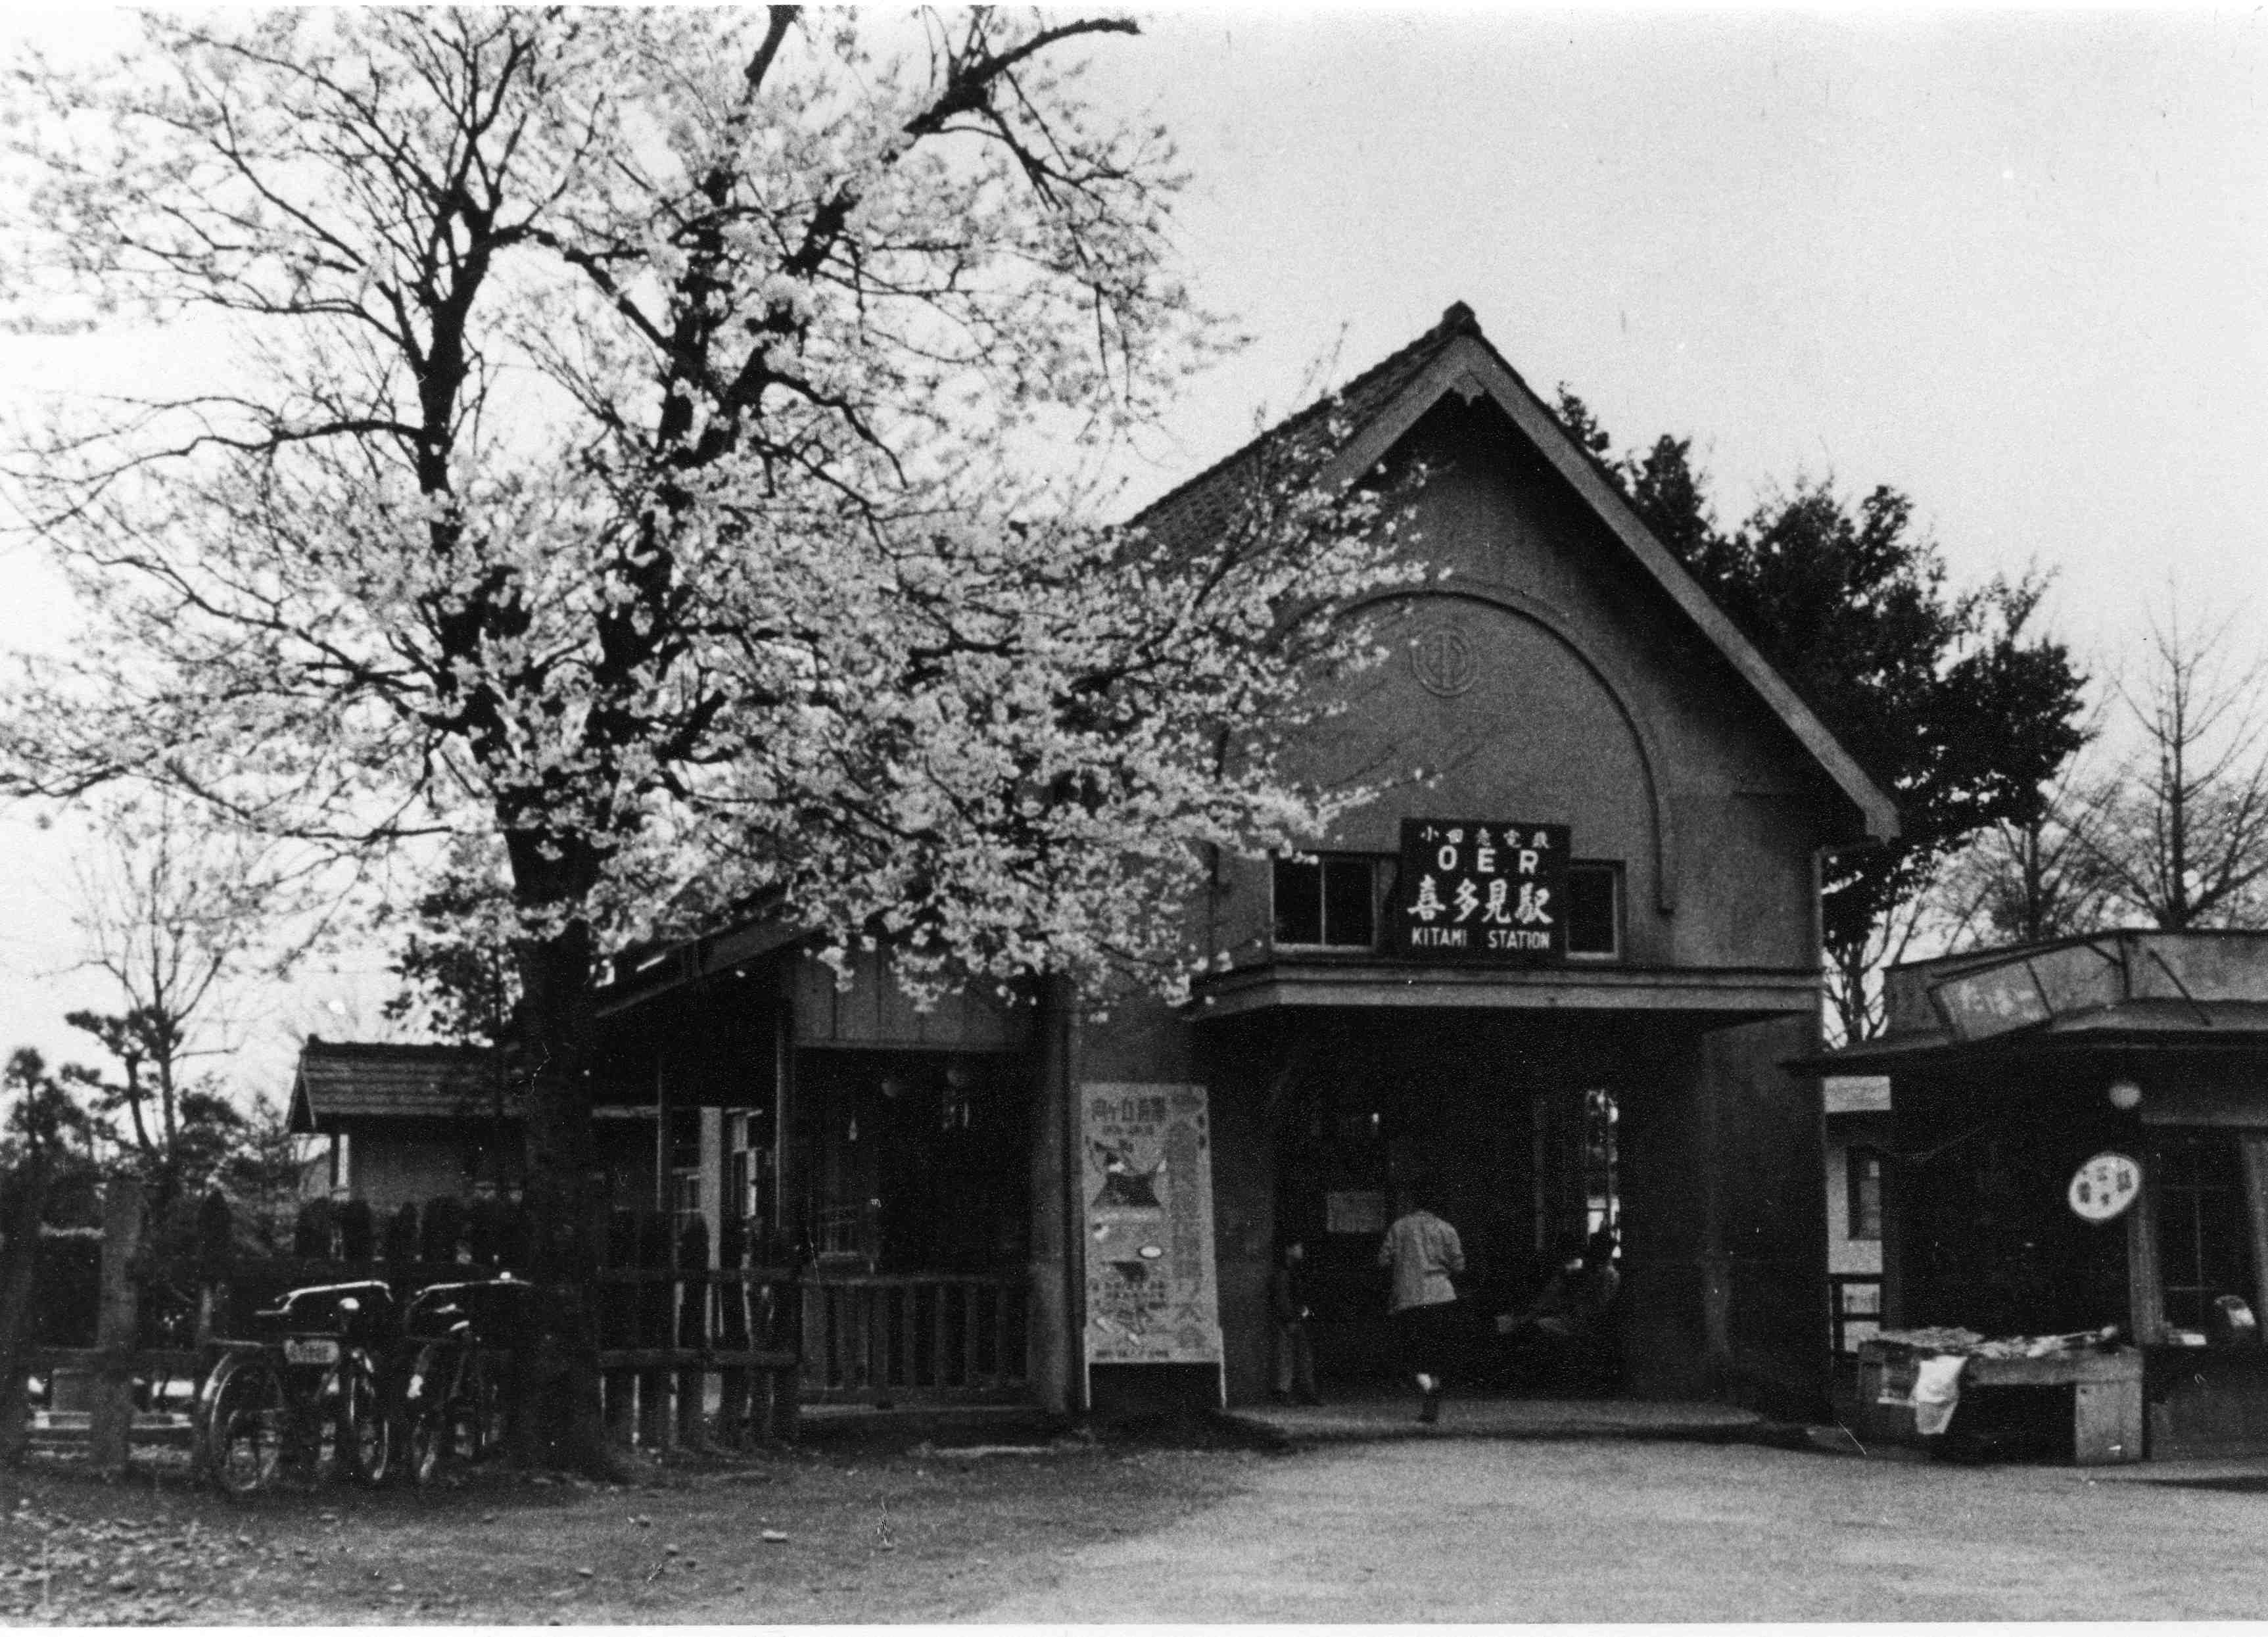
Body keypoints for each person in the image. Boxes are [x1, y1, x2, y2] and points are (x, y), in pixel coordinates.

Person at [1496, 1225, 1621, 1392]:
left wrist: (1573, 1298)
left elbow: (1595, 1306)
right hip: (1565, 1314)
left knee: (1536, 1327)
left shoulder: (1607, 1275)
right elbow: (1552, 1297)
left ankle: (1532, 1376)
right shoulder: (1579, 1271)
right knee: (1513, 1322)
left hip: (1579, 1320)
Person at [1379, 1191, 1464, 1423]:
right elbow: (1459, 1265)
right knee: (1436, 1352)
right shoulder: (1447, 1229)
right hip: (1441, 1296)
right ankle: (1433, 1392)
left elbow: (1384, 1260)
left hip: (1409, 1298)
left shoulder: (1399, 1227)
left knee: (1411, 1353)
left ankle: (1427, 1387)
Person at [1269, 1241, 1321, 1405]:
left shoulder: (1291, 1272)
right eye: (1298, 1247)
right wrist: (1290, 1318)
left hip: (1295, 1317)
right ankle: (1287, 1392)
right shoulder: (1284, 1273)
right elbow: (1283, 1299)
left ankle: (1302, 1391)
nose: (1301, 1250)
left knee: (1299, 1356)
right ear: (1288, 1250)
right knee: (1289, 1356)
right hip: (1290, 1320)